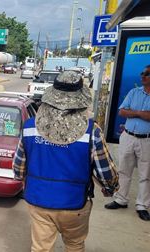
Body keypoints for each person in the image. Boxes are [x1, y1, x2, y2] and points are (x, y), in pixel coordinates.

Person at [13, 71, 119, 252]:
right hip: (74, 203)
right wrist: (110, 188)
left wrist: (23, 180)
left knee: (40, 248)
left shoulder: (30, 127)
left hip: (38, 200)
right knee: (74, 245)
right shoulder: (91, 131)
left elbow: (18, 167)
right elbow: (106, 172)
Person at [105, 65, 150, 221]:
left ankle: (142, 206)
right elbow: (122, 111)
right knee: (124, 170)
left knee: (146, 175)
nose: (143, 76)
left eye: (147, 74)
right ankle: (120, 199)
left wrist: (133, 113)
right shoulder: (134, 92)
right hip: (128, 136)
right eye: (142, 73)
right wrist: (140, 113)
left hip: (147, 139)